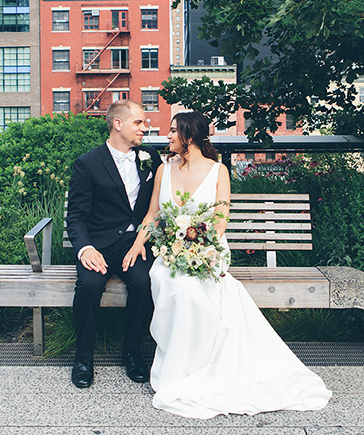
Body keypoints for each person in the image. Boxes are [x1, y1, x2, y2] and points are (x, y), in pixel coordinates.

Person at [123, 111, 333, 418]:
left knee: (191, 291)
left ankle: (198, 365)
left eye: (172, 131)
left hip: (209, 248)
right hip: (170, 251)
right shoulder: (164, 169)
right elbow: (153, 214)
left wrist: (202, 249)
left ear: (189, 137)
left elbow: (220, 219)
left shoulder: (219, 170)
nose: (166, 136)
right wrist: (137, 245)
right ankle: (179, 367)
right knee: (172, 285)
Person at [67, 99, 162, 388]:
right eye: (139, 122)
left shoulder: (150, 158)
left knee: (143, 283)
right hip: (99, 244)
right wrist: (85, 248)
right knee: (89, 286)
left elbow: (159, 202)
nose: (145, 128)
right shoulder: (88, 163)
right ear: (118, 124)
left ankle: (133, 352)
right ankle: (83, 357)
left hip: (136, 244)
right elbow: (77, 216)